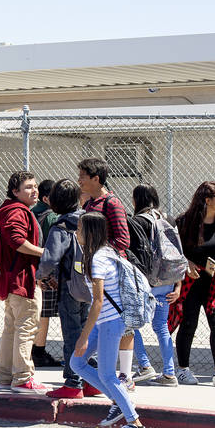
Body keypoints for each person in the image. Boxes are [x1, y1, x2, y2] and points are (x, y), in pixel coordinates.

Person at [71, 212, 149, 428]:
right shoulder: (105, 252)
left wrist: (83, 337)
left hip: (110, 322)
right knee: (77, 363)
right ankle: (119, 400)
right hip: (105, 321)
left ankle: (135, 425)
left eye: (79, 228)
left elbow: (97, 302)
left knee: (106, 375)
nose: (76, 232)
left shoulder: (98, 259)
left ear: (90, 232)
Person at [170, 181, 215, 386]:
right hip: (191, 281)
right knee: (188, 324)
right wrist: (186, 263)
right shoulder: (184, 222)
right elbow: (173, 250)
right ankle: (183, 369)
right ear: (207, 200)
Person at [77, 157, 135, 388]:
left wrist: (99, 252)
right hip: (96, 271)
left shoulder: (112, 203)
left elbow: (123, 240)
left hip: (113, 275)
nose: (79, 180)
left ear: (96, 178)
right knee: (102, 321)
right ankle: (106, 373)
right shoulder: (89, 204)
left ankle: (125, 375)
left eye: (83, 176)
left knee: (122, 323)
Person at [38, 179, 95, 398]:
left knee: (72, 334)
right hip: (90, 286)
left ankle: (73, 383)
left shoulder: (60, 227)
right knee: (86, 332)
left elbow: (50, 259)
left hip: (69, 287)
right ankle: (91, 379)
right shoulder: (89, 221)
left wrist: (41, 276)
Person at [0, 171, 46, 394]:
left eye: (35, 186)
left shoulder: (11, 210)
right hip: (24, 280)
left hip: (13, 281)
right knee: (26, 328)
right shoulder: (19, 212)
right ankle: (23, 378)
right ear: (15, 191)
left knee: (12, 329)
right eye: (28, 187)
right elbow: (16, 240)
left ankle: (5, 378)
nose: (34, 190)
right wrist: (43, 252)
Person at [129, 184, 180, 386]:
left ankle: (144, 365)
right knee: (161, 326)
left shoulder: (137, 221)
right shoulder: (168, 219)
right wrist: (177, 285)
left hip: (145, 281)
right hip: (167, 280)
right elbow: (178, 253)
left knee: (131, 324)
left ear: (136, 200)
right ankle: (169, 373)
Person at [32, 179, 61, 368]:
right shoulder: (51, 217)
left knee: (35, 311)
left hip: (32, 269)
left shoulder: (31, 213)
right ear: (46, 198)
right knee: (44, 313)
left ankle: (33, 349)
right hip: (46, 271)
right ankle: (39, 351)